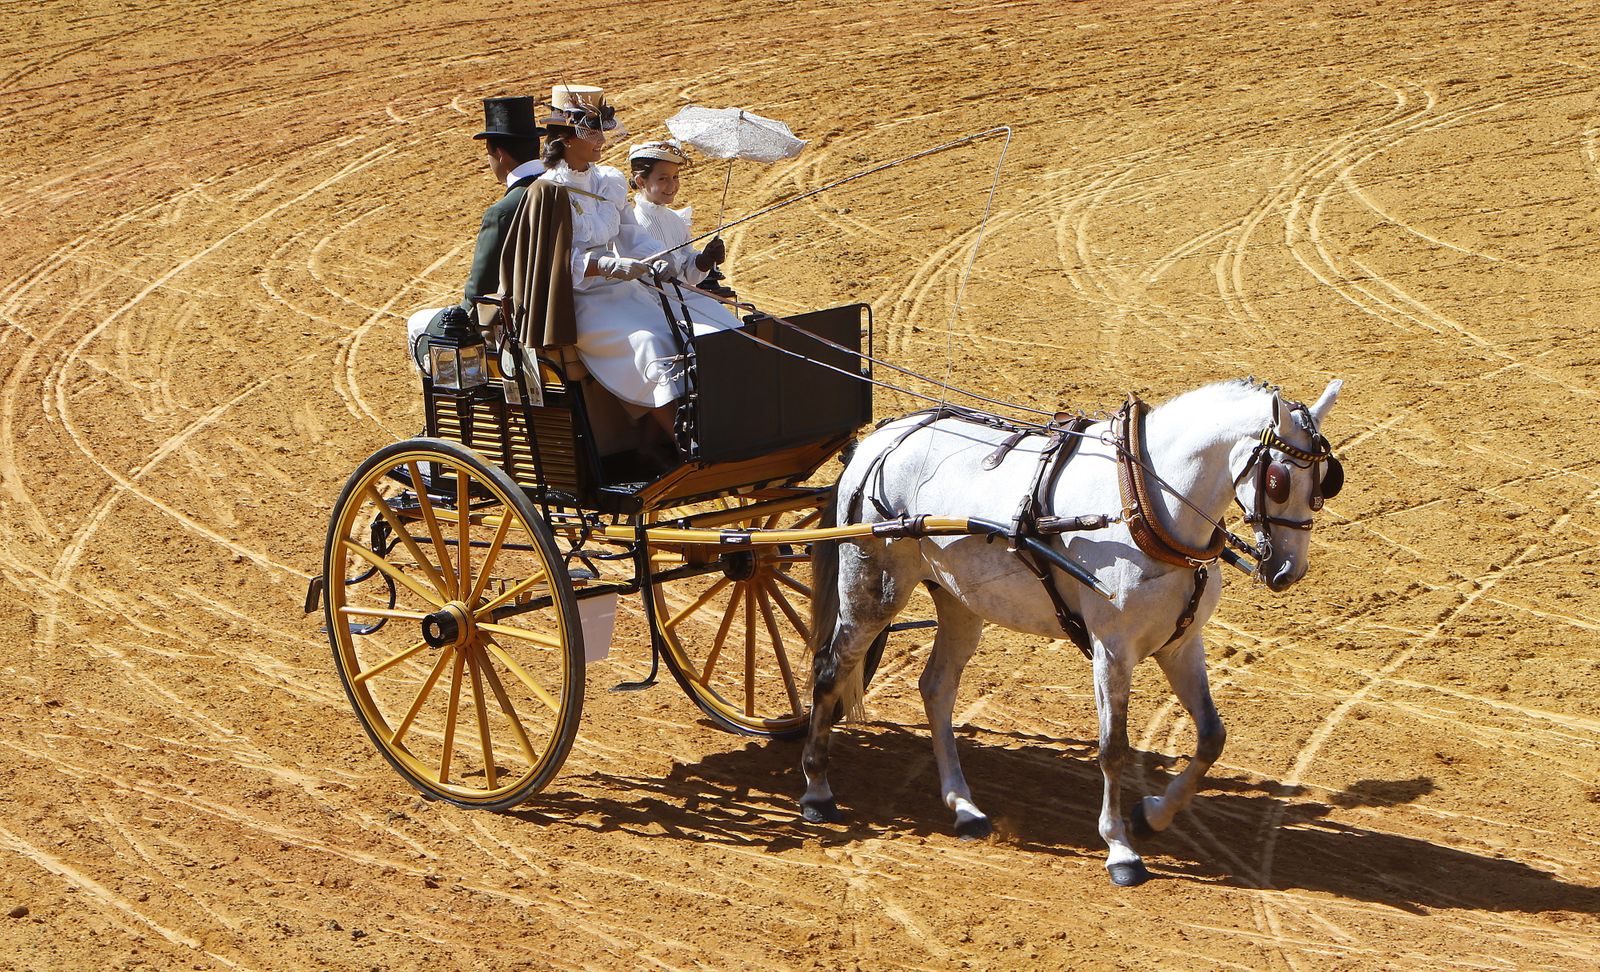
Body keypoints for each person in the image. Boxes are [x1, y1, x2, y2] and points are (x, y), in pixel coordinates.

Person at [537, 85, 740, 454]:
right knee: (650, 343)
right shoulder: (548, 190)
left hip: (626, 289)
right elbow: (551, 262)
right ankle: (687, 444)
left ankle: (663, 436)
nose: (601, 139)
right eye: (591, 131)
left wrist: (656, 256)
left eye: (601, 130)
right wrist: (606, 265)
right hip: (581, 300)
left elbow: (630, 233)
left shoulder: (609, 181)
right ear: (567, 138)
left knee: (687, 329)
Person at [406, 95, 545, 370]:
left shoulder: (503, 211)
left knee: (418, 324)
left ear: (500, 154)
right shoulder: (561, 187)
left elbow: (479, 290)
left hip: (522, 323)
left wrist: (459, 322)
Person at [627, 139, 726, 287]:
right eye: (663, 179)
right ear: (641, 181)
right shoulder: (632, 225)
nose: (673, 185)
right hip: (649, 302)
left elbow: (688, 275)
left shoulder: (676, 221)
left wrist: (704, 260)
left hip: (683, 297)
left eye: (675, 177)